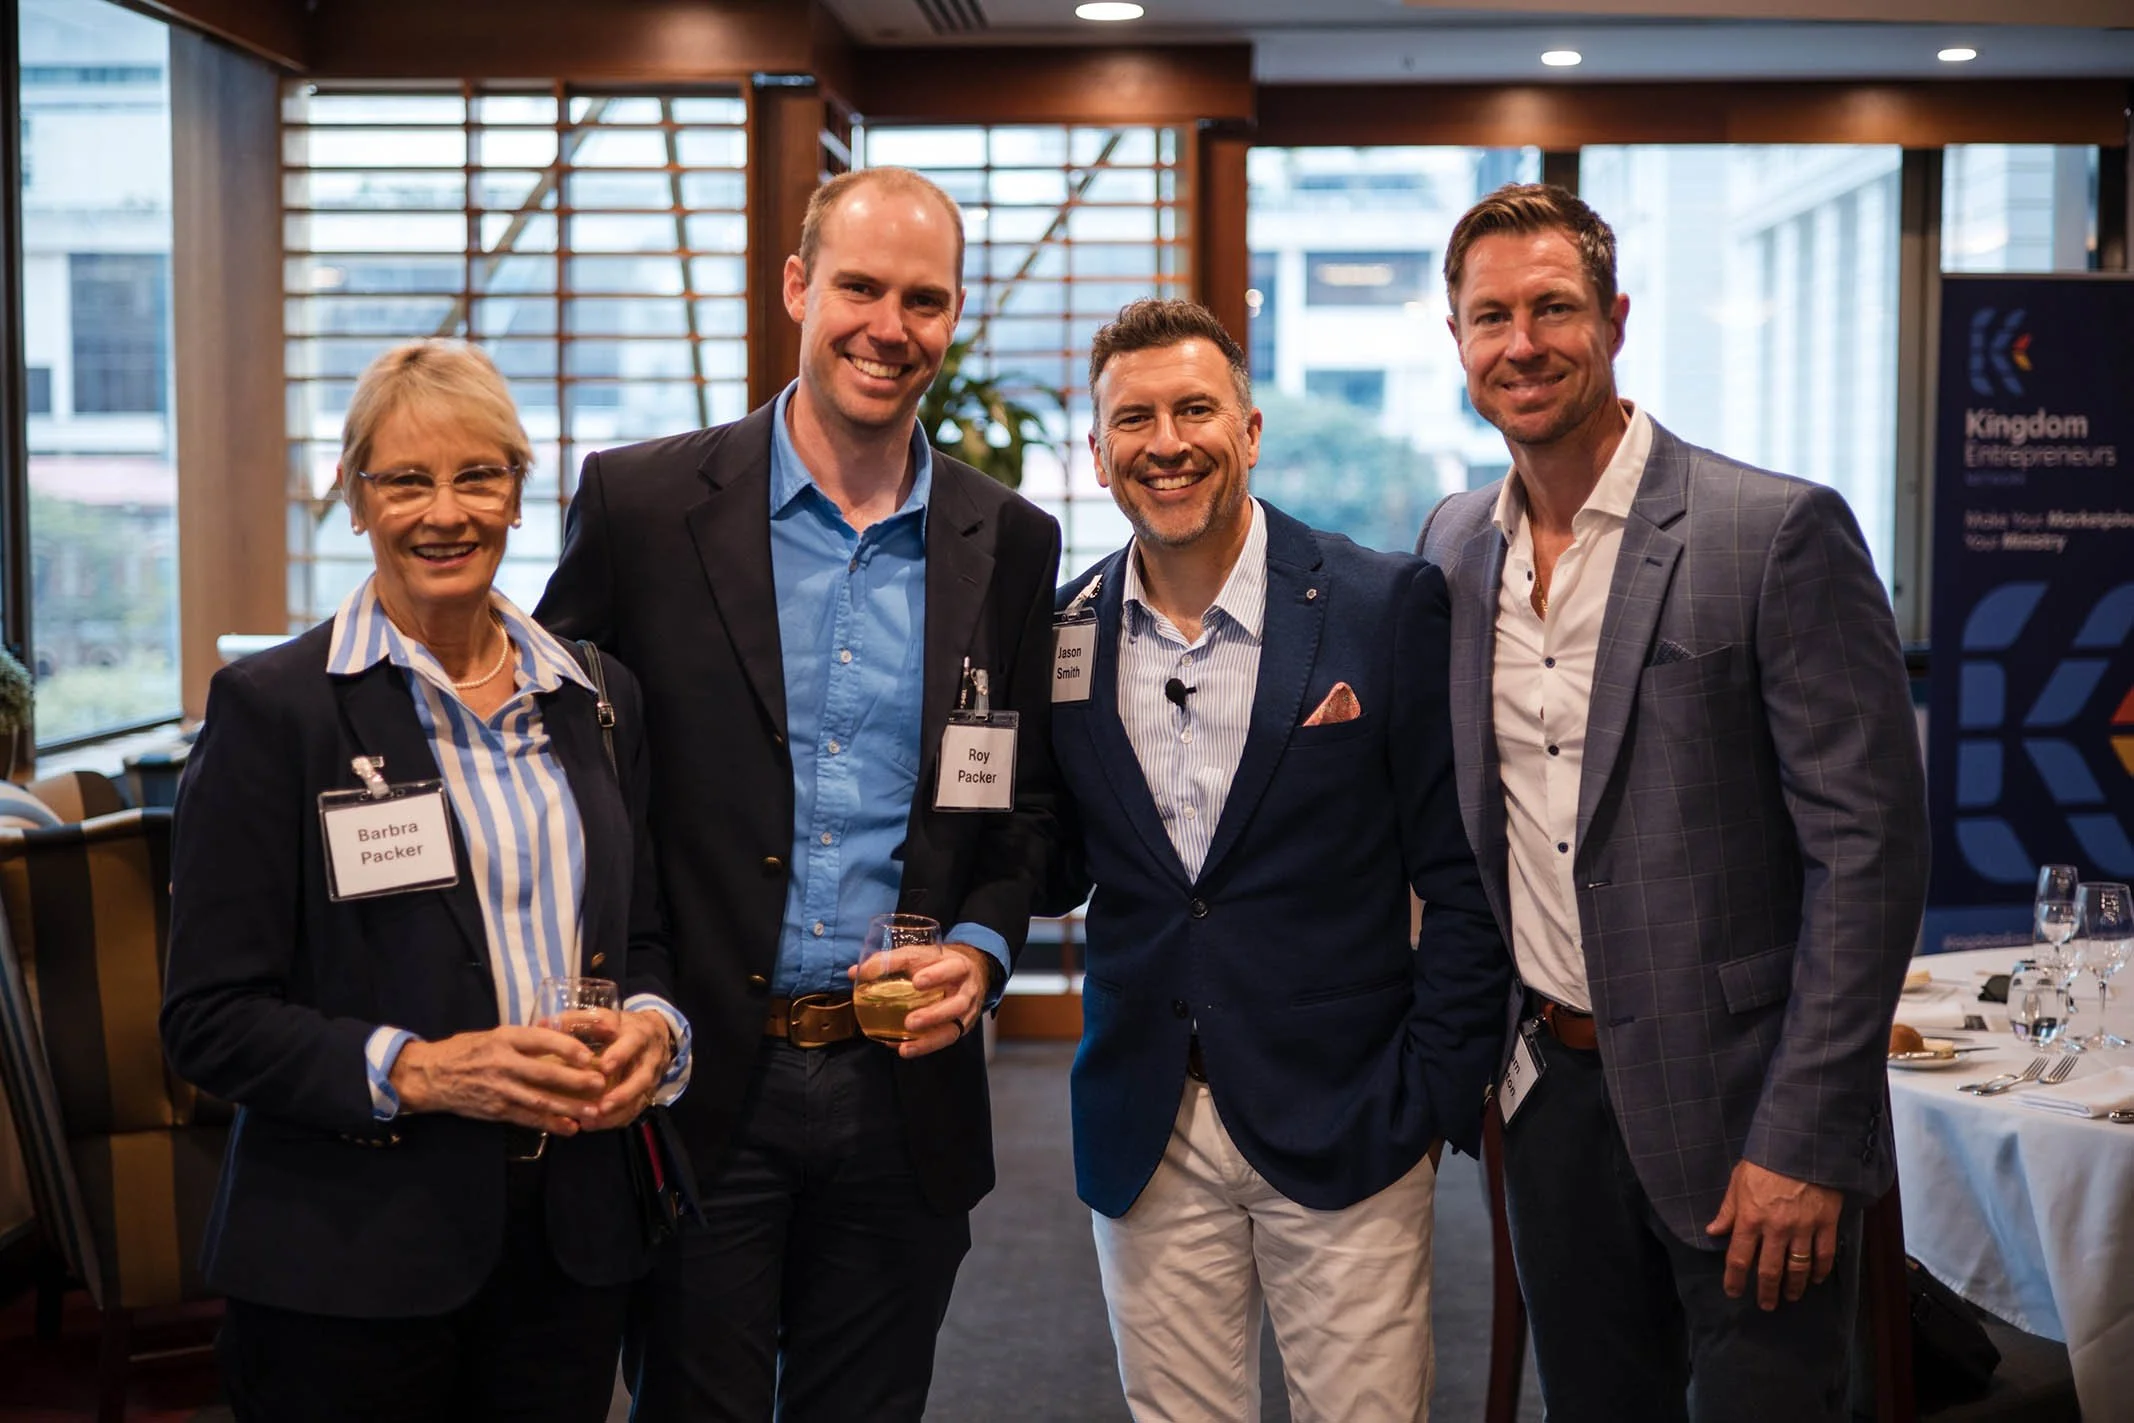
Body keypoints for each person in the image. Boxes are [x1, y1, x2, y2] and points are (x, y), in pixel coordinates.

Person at [536, 166, 1061, 1423]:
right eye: (859, 288)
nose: (890, 327)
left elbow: (1028, 807)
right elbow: (558, 768)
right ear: (796, 287)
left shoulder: (1010, 540)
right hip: (699, 1073)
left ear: (954, 314)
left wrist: (982, 950)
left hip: (903, 1090)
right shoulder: (642, 505)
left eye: (923, 300)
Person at [1416, 183, 1931, 1422]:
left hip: (1745, 1110)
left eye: (1553, 308)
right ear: (1457, 339)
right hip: (1549, 1101)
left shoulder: (1772, 532)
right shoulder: (1453, 545)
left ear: (1614, 319)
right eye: (1490, 317)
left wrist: (1807, 1136)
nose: (1521, 343)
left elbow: (1867, 855)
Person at [160, 339, 690, 1422]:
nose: (445, 513)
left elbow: (640, 935)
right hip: (351, 1255)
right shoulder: (275, 711)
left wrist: (654, 1026)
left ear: (519, 494)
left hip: (570, 1241)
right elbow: (207, 1020)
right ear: (356, 500)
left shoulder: (597, 698)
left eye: (478, 475)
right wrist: (425, 1070)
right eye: (405, 480)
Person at [1040, 298, 1509, 1422]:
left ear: (1248, 431)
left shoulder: (1379, 604)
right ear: (1099, 452)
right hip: (1146, 1118)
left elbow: (1462, 875)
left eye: (1194, 409)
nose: (1166, 442)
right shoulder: (1063, 631)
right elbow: (1057, 858)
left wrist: (1433, 1089)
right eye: (1134, 419)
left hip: (1350, 1112)